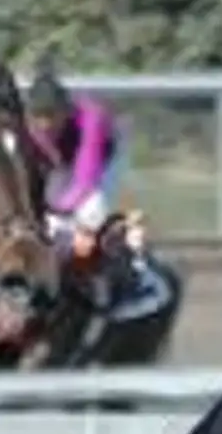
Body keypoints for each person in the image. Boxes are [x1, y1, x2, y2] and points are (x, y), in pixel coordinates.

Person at [25, 67, 152, 311]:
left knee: (91, 212)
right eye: (38, 117)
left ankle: (132, 275)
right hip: (63, 162)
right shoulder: (27, 128)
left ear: (66, 110)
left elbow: (86, 176)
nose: (45, 124)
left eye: (52, 115)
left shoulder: (91, 119)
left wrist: (60, 214)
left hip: (105, 159)